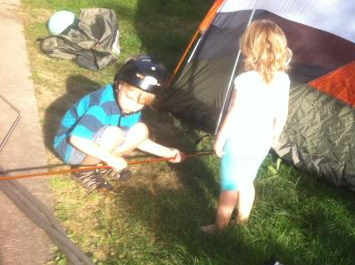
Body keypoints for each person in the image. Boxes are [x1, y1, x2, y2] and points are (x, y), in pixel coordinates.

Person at [202, 19, 292, 232]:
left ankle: (220, 227)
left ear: (248, 49)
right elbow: (282, 111)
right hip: (262, 142)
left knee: (230, 185)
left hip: (238, 142)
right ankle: (242, 221)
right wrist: (275, 134)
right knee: (246, 181)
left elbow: (233, 113)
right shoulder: (283, 80)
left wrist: (219, 139)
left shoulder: (244, 80)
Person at [53, 55, 183, 191]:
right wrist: (110, 158)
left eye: (141, 103)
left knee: (141, 130)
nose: (133, 106)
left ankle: (100, 165)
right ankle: (84, 171)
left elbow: (139, 140)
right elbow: (76, 138)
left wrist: (167, 152)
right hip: (68, 146)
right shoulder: (102, 105)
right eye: (130, 97)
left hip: (93, 141)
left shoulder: (129, 108)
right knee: (113, 134)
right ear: (119, 85)